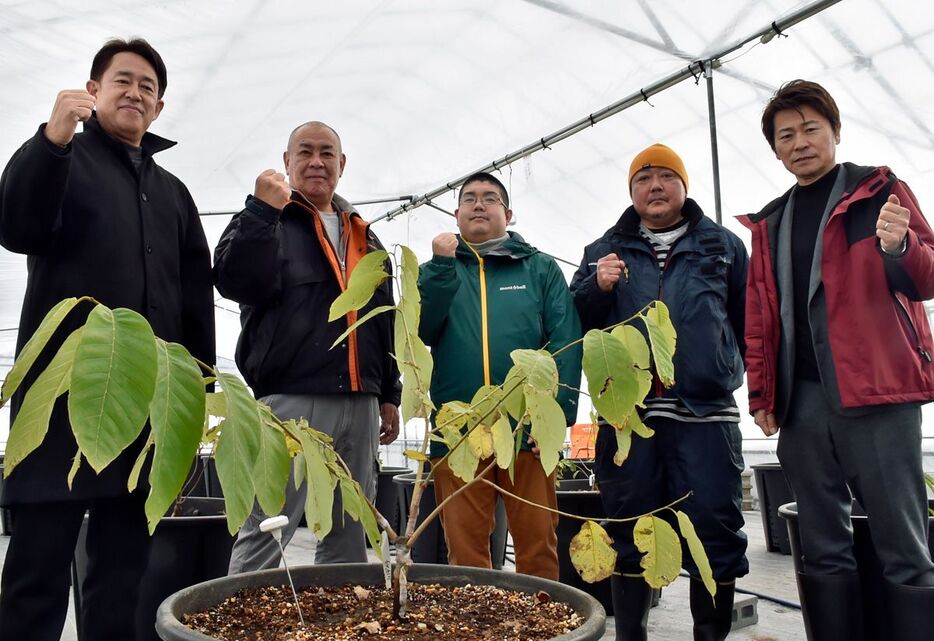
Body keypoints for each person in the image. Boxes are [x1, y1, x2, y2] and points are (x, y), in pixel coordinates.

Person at [0, 38, 215, 640]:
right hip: (61, 403)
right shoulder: (62, 156)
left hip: (143, 409)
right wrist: (51, 139)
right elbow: (16, 226)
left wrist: (194, 391)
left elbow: (195, 298)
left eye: (148, 86)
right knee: (37, 570)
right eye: (123, 80)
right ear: (93, 90)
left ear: (160, 107)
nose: (135, 92)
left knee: (123, 572)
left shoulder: (173, 193)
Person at [742, 79, 934, 639]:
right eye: (786, 136)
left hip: (877, 393)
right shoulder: (770, 222)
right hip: (802, 402)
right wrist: (763, 397)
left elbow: (926, 280)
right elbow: (759, 317)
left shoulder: (878, 191)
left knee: (904, 539)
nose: (799, 142)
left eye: (810, 129)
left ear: (834, 132)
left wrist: (900, 246)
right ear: (775, 150)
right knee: (822, 542)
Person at [571, 144, 749, 641]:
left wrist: (739, 379)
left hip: (706, 414)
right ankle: (632, 634)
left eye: (667, 176)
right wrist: (595, 289)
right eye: (644, 177)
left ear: (683, 187)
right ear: (631, 191)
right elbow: (572, 324)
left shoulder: (723, 246)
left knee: (715, 529)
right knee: (628, 527)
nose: (655, 186)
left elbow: (747, 323)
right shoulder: (602, 251)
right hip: (629, 421)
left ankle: (709, 634)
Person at [215, 121, 401, 572]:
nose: (316, 162)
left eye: (326, 153)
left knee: (349, 526)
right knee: (268, 523)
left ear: (342, 164)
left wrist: (390, 393)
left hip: (360, 402)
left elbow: (384, 320)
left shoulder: (366, 237)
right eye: (304, 152)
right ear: (287, 161)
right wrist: (259, 212)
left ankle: (339, 621)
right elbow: (233, 280)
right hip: (291, 400)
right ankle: (240, 619)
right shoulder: (267, 220)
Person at [418, 172, 582, 580]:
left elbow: (566, 341)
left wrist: (555, 416)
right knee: (465, 548)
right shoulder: (436, 269)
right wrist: (440, 267)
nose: (478, 204)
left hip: (526, 429)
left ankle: (542, 625)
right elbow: (422, 329)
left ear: (507, 213)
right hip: (459, 431)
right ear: (455, 214)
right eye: (469, 198)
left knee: (538, 543)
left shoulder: (540, 269)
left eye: (490, 198)